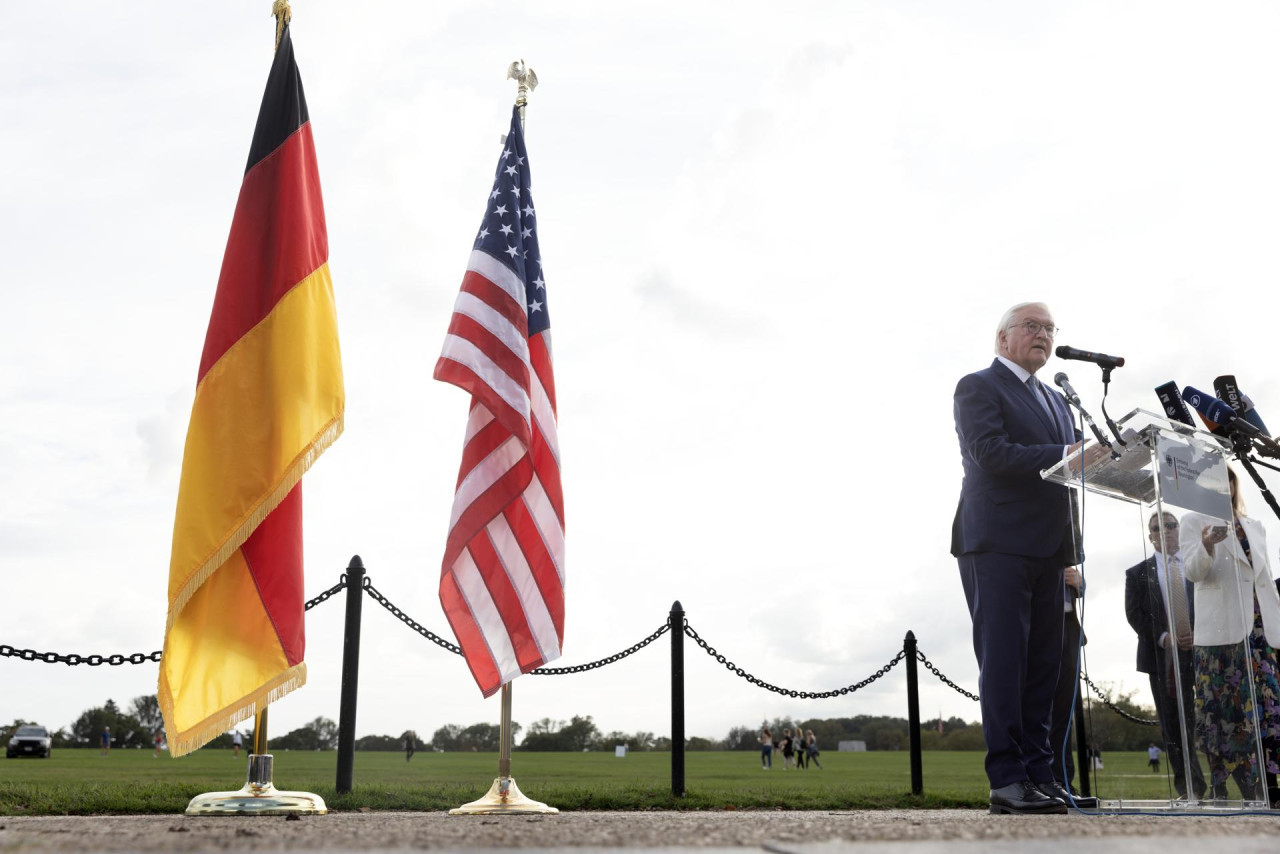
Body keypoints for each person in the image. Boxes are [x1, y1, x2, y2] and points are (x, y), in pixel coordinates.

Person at [952, 302, 1103, 815]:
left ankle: (1042, 776)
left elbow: (1068, 480)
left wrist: (1072, 553)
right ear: (1002, 338)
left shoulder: (1058, 399)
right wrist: (1066, 453)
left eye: (1049, 328)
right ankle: (1008, 780)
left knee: (1044, 667)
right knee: (1006, 664)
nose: (1042, 334)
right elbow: (989, 454)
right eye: (1031, 326)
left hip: (1050, 552)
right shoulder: (978, 386)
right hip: (996, 543)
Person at [1181, 467, 1280, 802]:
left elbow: (1264, 580)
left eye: (1228, 479)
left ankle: (1271, 785)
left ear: (1235, 485)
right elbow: (1193, 573)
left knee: (1267, 710)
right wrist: (1207, 545)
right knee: (1229, 715)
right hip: (1221, 636)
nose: (1223, 485)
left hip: (1259, 633)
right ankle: (1247, 787)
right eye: (1214, 480)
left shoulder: (1256, 525)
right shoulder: (1193, 522)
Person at [1124, 510, 1206, 799]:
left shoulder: (1198, 566)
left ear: (1179, 530)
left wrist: (1199, 633)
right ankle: (1190, 788)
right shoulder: (1137, 573)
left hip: (1203, 652)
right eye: (1157, 528)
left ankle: (1226, 782)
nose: (1165, 531)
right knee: (1173, 725)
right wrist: (1165, 638)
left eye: (1171, 526)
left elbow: (1212, 602)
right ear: (1151, 536)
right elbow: (1134, 615)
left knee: (1211, 719)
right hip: (1163, 658)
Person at [1048, 564, 1098, 808]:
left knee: (1063, 714)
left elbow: (1079, 588)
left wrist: (1079, 582)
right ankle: (1042, 780)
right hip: (1041, 626)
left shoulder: (1065, 552)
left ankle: (1063, 781)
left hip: (1068, 630)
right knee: (1042, 711)